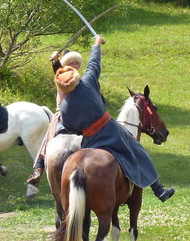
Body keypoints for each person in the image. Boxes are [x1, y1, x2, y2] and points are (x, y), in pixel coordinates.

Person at [56, 34, 175, 202]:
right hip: (112, 131)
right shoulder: (87, 83)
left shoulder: (64, 107)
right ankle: (158, 190)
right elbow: (94, 63)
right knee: (138, 150)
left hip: (89, 140)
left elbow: (72, 127)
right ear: (75, 78)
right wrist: (96, 44)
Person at [26, 49, 83, 186]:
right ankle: (38, 170)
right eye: (71, 63)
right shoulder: (63, 76)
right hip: (62, 116)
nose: (74, 65)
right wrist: (56, 61)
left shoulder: (79, 79)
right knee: (47, 139)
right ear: (66, 65)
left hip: (80, 115)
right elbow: (58, 69)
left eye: (76, 63)